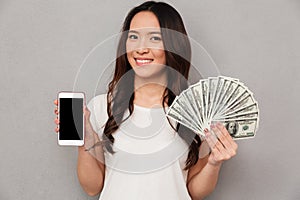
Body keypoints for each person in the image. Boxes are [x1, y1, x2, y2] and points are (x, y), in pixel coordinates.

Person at [54, 1, 238, 199]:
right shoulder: (101, 108)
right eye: (133, 37)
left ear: (173, 46)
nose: (141, 48)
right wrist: (85, 141)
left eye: (154, 38)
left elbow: (194, 191)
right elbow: (92, 187)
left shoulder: (196, 115)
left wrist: (214, 163)